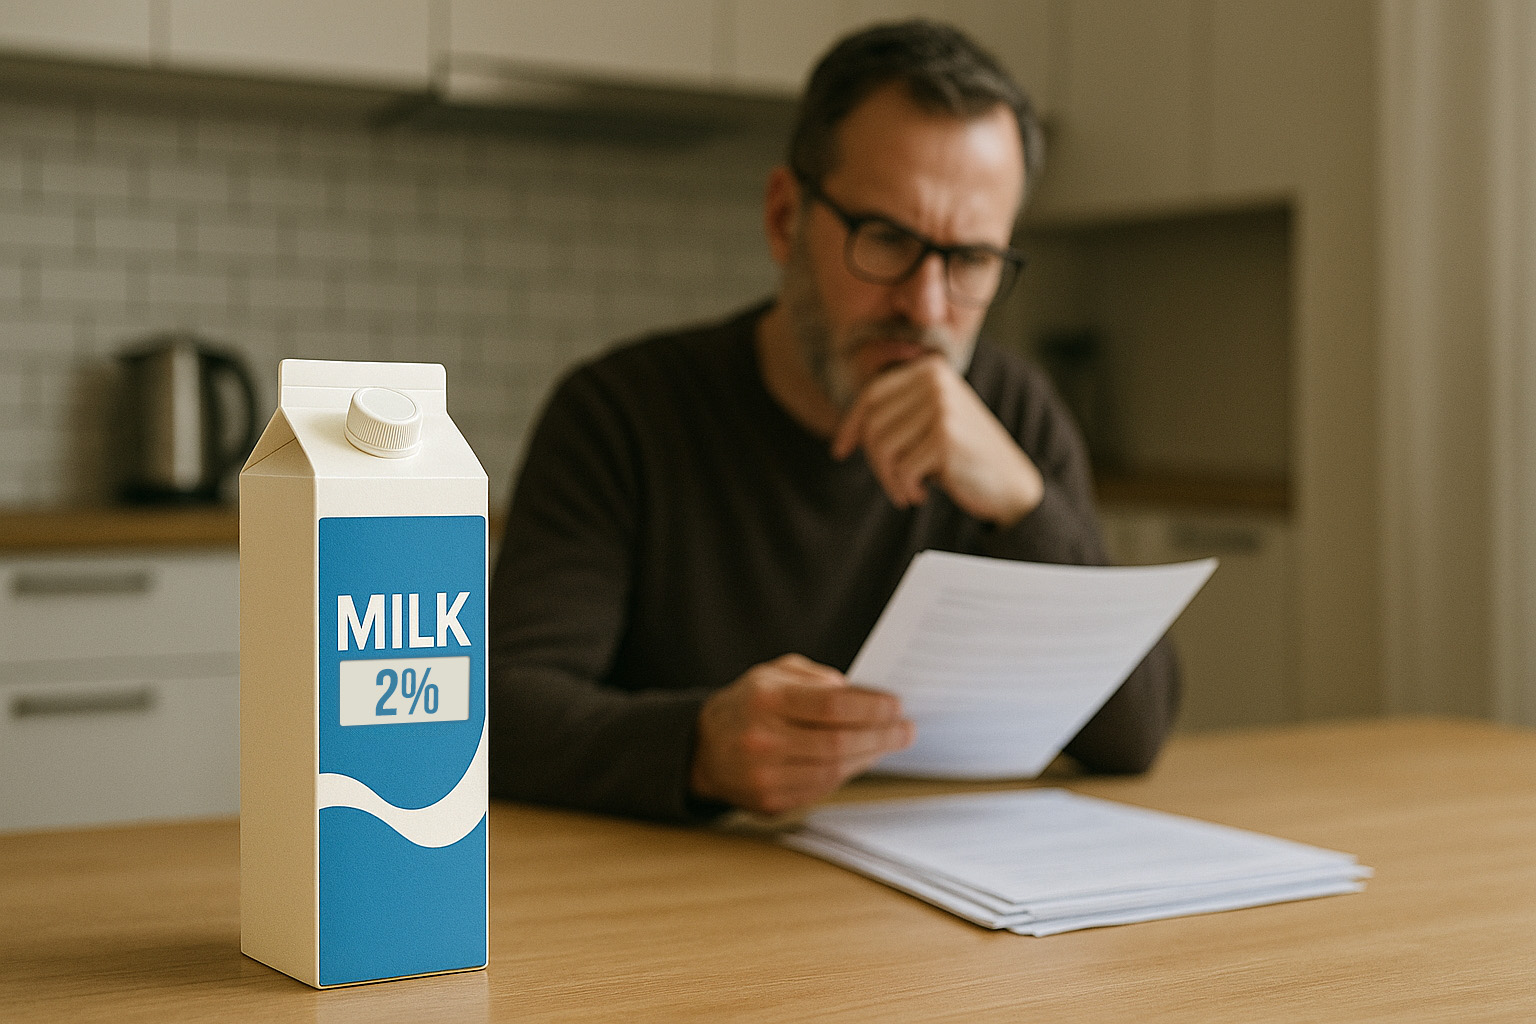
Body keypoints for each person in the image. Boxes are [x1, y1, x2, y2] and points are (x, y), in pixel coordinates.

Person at [487, 20, 1178, 823]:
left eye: (970, 260)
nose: (926, 307)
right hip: (679, 901)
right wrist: (699, 748)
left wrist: (1026, 504)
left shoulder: (1014, 412)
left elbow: (1137, 734)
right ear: (785, 217)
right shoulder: (620, 414)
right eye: (887, 238)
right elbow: (501, 713)